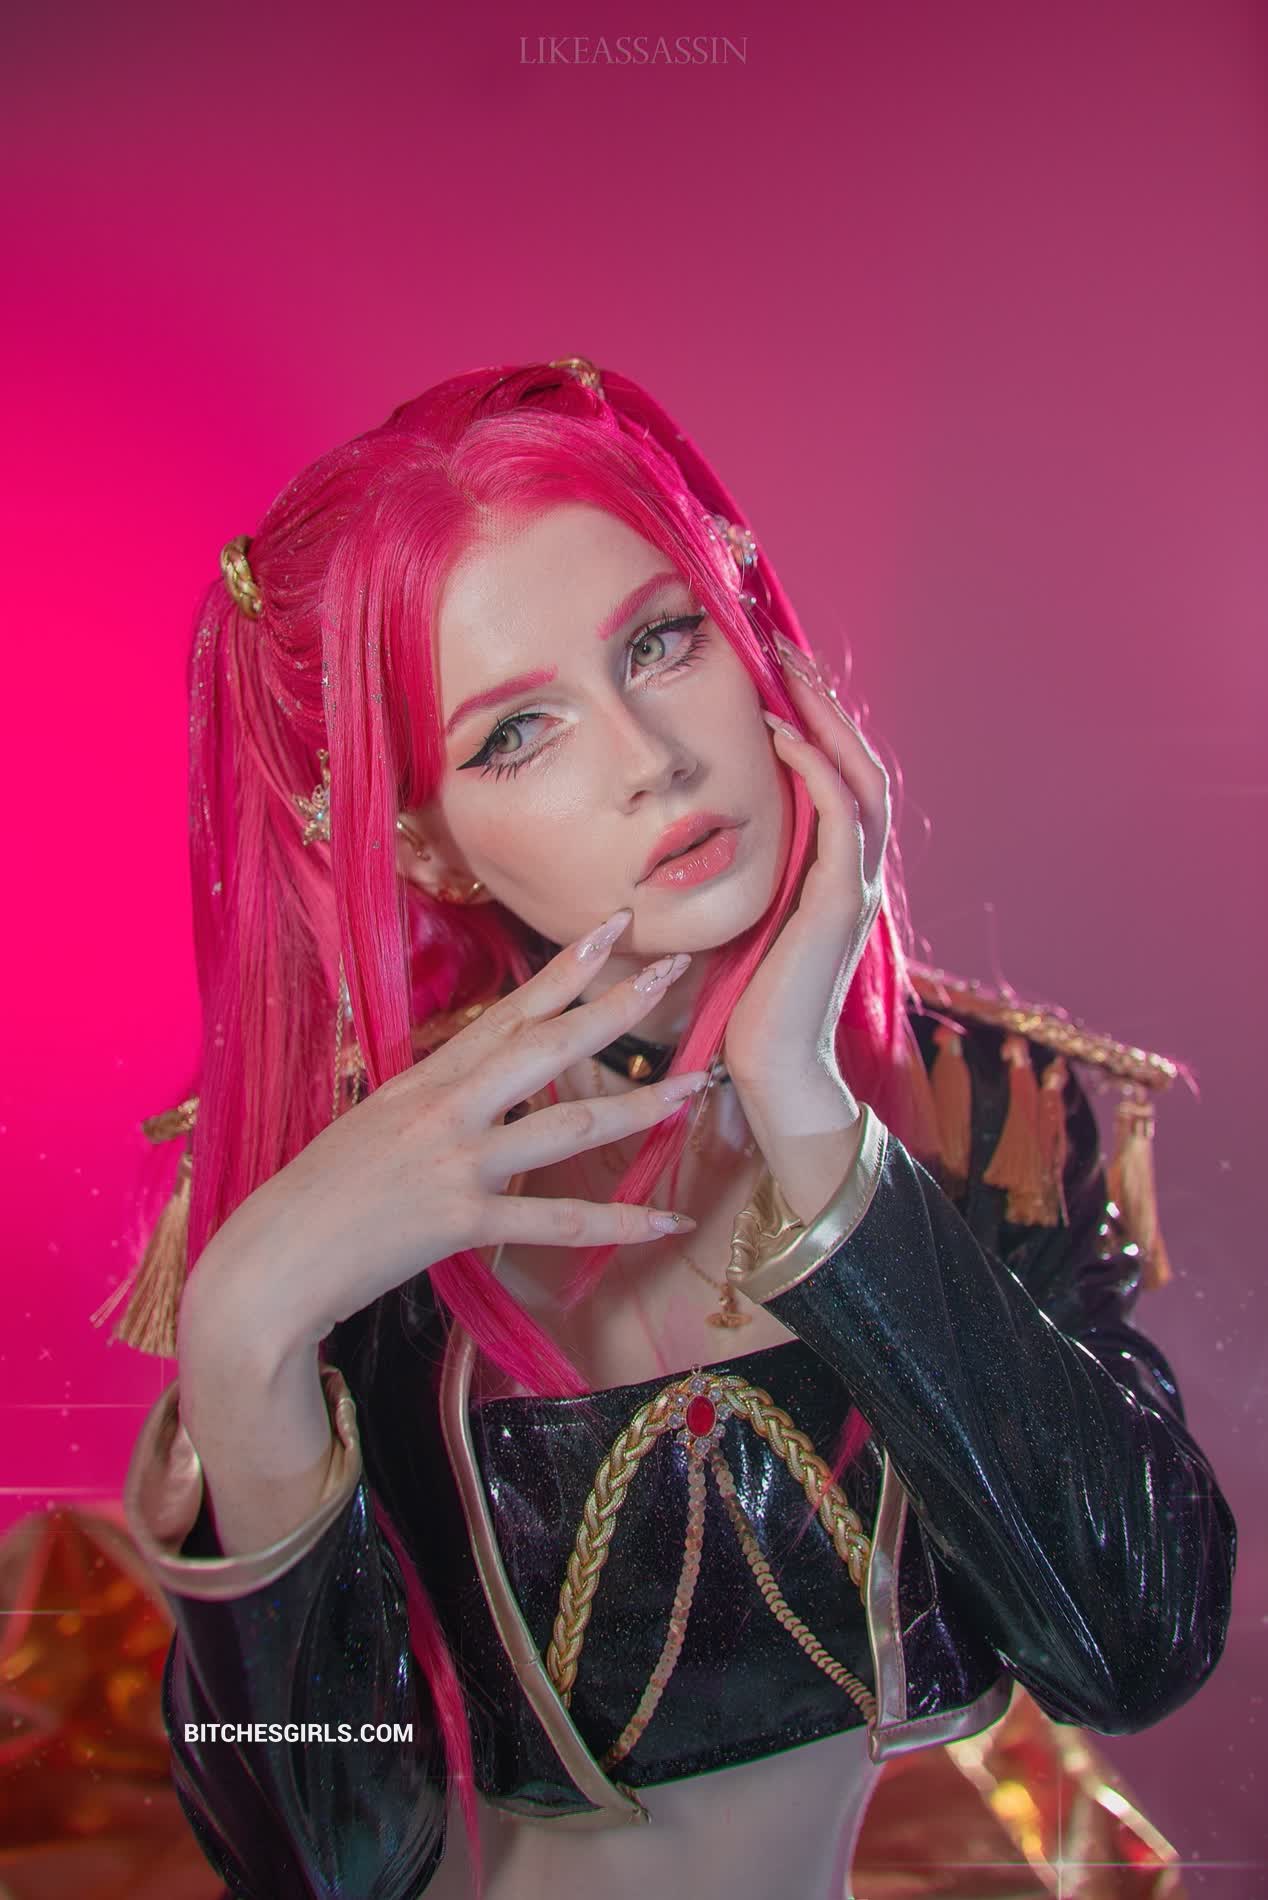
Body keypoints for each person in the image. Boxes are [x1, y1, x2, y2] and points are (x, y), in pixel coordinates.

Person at [113, 356, 1235, 1900]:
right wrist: (243, 1338)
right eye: (518, 734)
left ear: (751, 631)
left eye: (661, 639)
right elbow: (328, 1870)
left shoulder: (987, 1118)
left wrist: (807, 1107)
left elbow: (1138, 1641)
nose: (654, 758)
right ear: (431, 853)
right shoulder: (360, 1207)